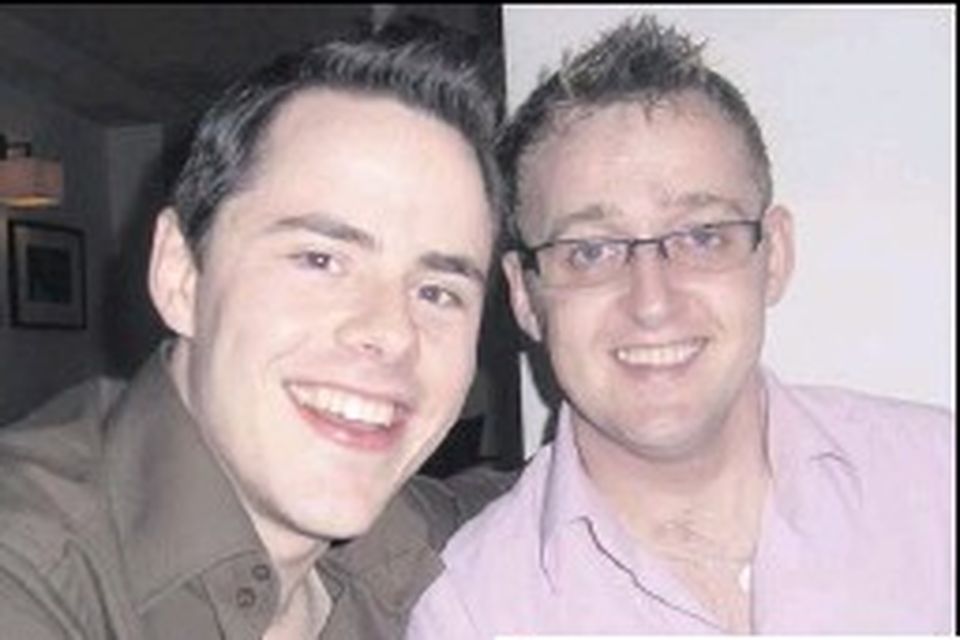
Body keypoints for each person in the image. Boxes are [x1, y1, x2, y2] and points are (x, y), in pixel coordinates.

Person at [407, 15, 955, 637]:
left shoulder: (939, 484)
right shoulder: (471, 611)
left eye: (702, 236)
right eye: (591, 250)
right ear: (525, 296)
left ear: (774, 255)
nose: (652, 302)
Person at [0, 24, 510, 639]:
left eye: (437, 292)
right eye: (320, 259)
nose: (392, 332)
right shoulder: (29, 568)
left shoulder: (406, 538)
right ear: (180, 275)